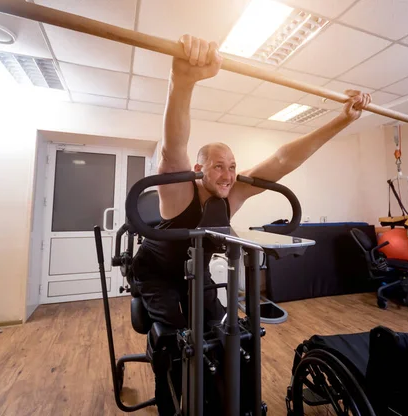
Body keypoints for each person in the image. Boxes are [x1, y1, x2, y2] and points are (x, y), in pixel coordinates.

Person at [131, 34, 372, 414]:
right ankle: (171, 399)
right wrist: (182, 80)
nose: (227, 175)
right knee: (180, 339)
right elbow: (172, 147)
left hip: (195, 275)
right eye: (217, 166)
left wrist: (341, 120)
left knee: (222, 333)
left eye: (232, 166)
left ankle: (219, 398)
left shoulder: (232, 195)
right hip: (156, 274)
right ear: (198, 170)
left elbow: (282, 159)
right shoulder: (179, 191)